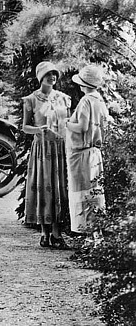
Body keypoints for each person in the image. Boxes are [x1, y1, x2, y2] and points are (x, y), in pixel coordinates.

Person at [22, 61, 71, 249]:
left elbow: (68, 123)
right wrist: (38, 129)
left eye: (55, 74)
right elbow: (25, 127)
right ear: (41, 77)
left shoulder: (64, 99)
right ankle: (44, 232)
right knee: (43, 186)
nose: (53, 78)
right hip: (42, 149)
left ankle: (57, 233)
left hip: (58, 148)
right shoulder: (30, 100)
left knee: (58, 187)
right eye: (49, 74)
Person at [66, 65, 109, 234]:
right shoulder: (99, 100)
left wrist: (66, 123)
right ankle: (97, 236)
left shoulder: (86, 101)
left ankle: (89, 236)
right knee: (95, 192)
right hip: (95, 153)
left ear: (83, 84)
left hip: (82, 153)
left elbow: (82, 127)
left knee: (83, 194)